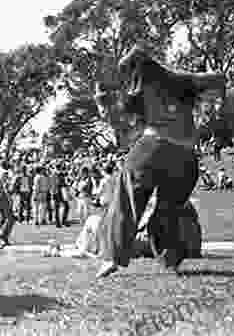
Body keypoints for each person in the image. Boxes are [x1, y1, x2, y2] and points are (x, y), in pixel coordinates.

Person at [95, 44, 225, 278]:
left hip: (151, 149)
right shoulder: (184, 82)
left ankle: (111, 258)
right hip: (185, 158)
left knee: (126, 200)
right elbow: (218, 79)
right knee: (169, 209)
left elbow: (123, 124)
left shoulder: (139, 89)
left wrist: (102, 102)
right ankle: (170, 260)